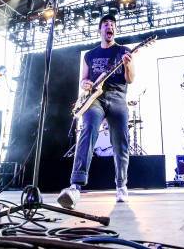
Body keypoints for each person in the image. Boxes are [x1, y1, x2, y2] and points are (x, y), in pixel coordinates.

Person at [57, 14, 135, 209]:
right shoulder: (89, 55)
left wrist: (127, 64)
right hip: (95, 99)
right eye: (106, 24)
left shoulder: (123, 51)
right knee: (88, 129)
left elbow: (131, 79)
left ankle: (121, 185)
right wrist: (85, 83)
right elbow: (83, 81)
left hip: (117, 97)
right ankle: (75, 186)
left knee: (121, 141)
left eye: (113, 25)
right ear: (100, 30)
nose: (110, 27)